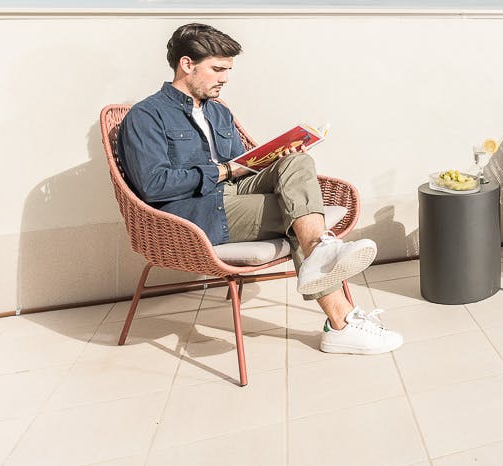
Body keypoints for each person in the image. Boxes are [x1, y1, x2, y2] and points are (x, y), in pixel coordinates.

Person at [118, 23, 403, 354]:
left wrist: (277, 156)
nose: (225, 78)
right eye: (218, 69)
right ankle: (340, 321)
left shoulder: (219, 112)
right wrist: (225, 170)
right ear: (186, 64)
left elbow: (243, 166)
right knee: (301, 219)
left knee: (297, 162)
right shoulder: (146, 116)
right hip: (197, 211)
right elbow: (154, 186)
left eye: (228, 70)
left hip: (236, 191)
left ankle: (322, 260)